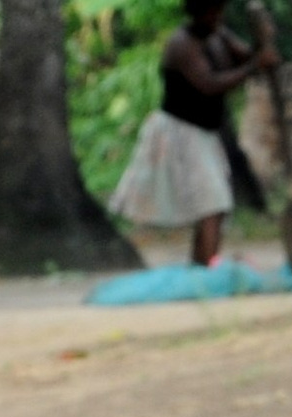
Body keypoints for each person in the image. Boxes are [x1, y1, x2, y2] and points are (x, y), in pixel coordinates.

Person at [108, 0, 279, 267]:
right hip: (181, 132)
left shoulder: (219, 34)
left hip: (205, 134)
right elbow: (209, 84)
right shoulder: (182, 44)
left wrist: (262, 43)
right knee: (212, 203)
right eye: (211, 12)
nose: (216, 17)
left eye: (218, 11)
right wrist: (255, 66)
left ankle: (202, 266)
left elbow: (246, 56)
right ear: (197, 12)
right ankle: (207, 268)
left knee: (213, 204)